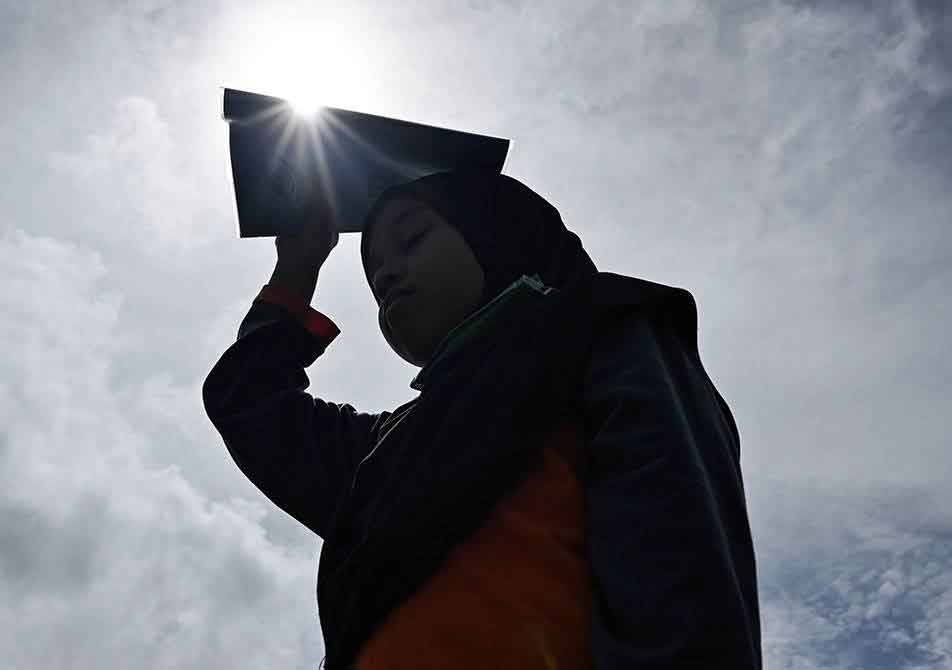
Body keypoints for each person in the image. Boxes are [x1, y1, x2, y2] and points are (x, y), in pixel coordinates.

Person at [202, 169, 763, 669]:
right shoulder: (387, 448)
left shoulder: (600, 331)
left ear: (495, 230)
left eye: (413, 240)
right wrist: (297, 268)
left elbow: (682, 569)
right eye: (375, 280)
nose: (390, 276)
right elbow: (248, 403)